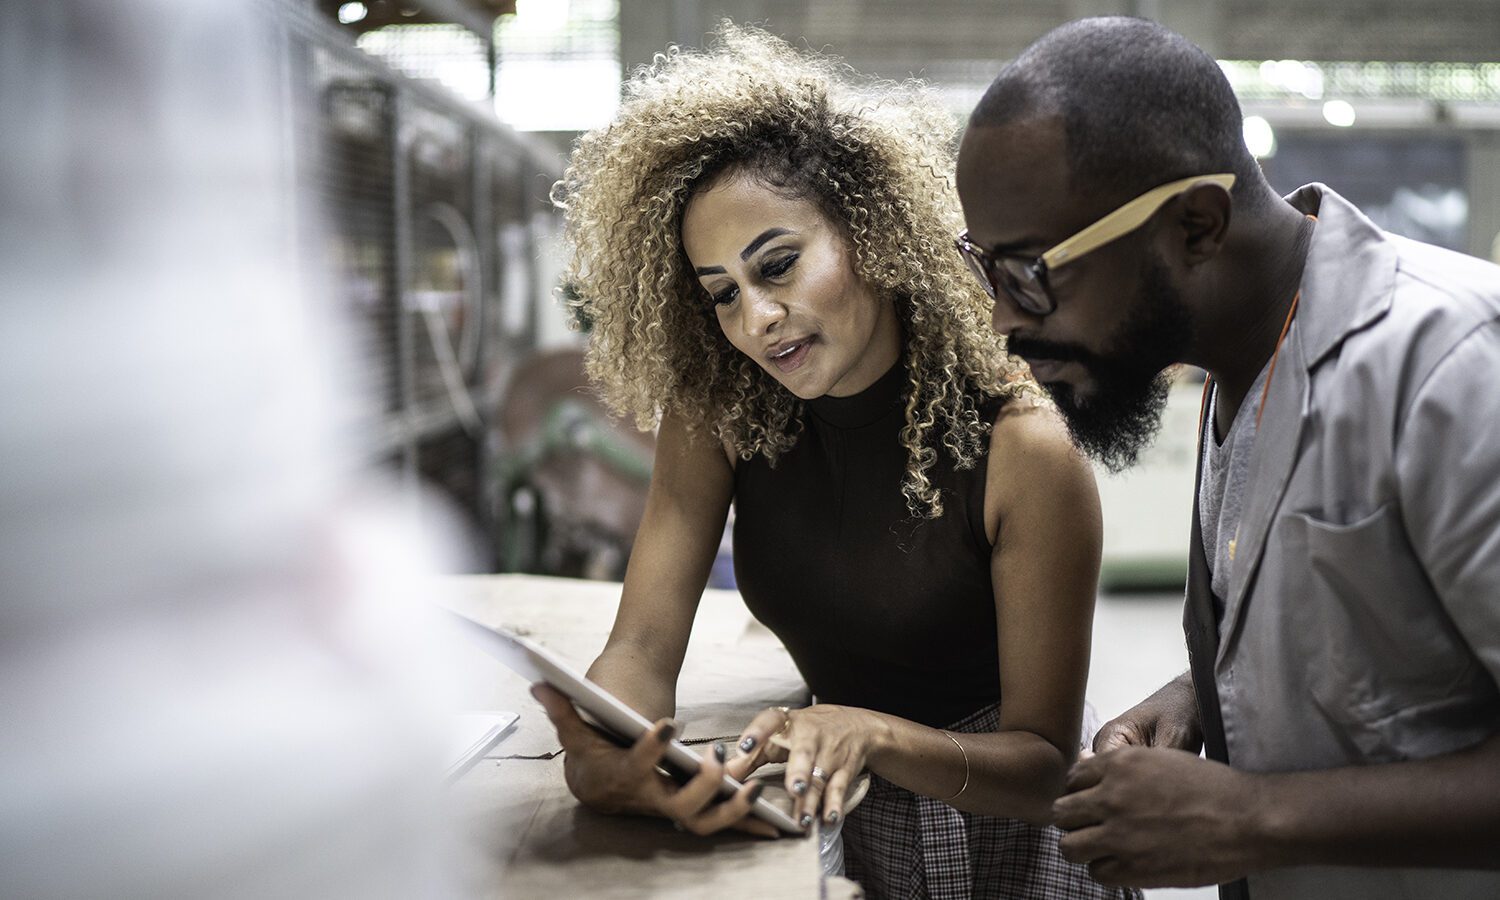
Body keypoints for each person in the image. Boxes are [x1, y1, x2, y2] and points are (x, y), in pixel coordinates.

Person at [532, 24, 1138, 900]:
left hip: (1011, 846)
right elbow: (643, 644)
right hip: (835, 821)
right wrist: (611, 750)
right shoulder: (721, 417)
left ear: (873, 235)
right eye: (723, 296)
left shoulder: (1023, 448)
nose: (757, 319)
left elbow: (1045, 769)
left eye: (778, 265)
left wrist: (875, 734)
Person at [954, 16, 1500, 900]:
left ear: (1197, 225)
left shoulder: (1452, 364)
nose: (1004, 323)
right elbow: (1387, 629)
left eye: (1032, 274)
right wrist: (1208, 693)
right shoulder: (1236, 362)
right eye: (987, 272)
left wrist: (1249, 817)